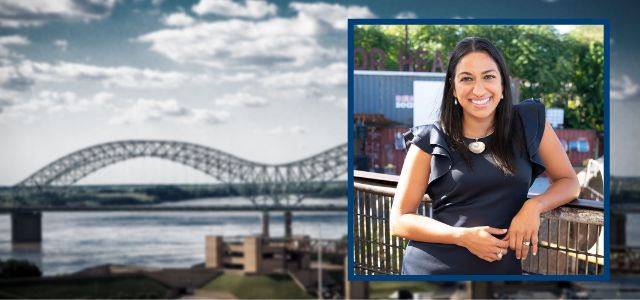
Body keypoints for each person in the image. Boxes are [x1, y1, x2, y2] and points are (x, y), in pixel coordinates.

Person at [389, 37, 580, 275]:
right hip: (431, 271)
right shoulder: (429, 139)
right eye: (467, 78)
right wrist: (462, 237)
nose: (478, 89)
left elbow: (570, 182)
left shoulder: (529, 122)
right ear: (453, 88)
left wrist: (534, 206)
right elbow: (399, 221)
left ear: (503, 83)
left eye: (488, 76)